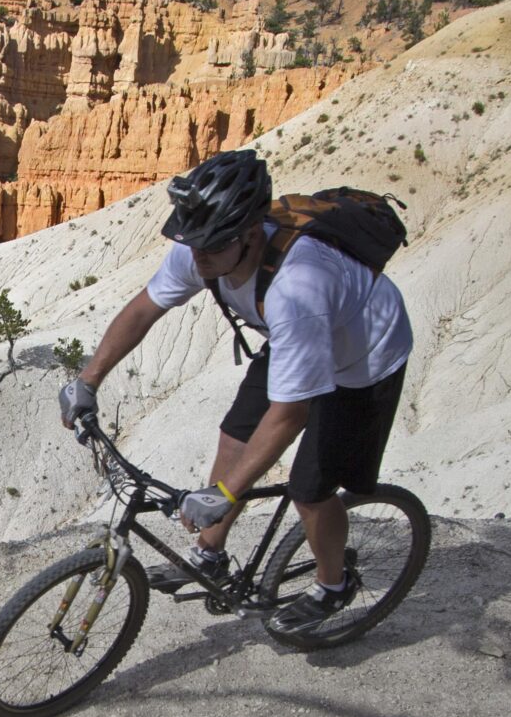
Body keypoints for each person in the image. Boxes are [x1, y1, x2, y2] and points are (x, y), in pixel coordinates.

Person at [58, 149, 413, 635]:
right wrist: (87, 379)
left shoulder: (298, 287)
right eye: (192, 242)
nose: (198, 256)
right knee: (234, 440)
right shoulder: (203, 247)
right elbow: (144, 309)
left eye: (210, 244)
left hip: (365, 357)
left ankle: (333, 585)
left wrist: (226, 492)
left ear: (249, 234)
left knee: (311, 488)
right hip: (297, 341)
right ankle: (210, 556)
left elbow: (289, 415)